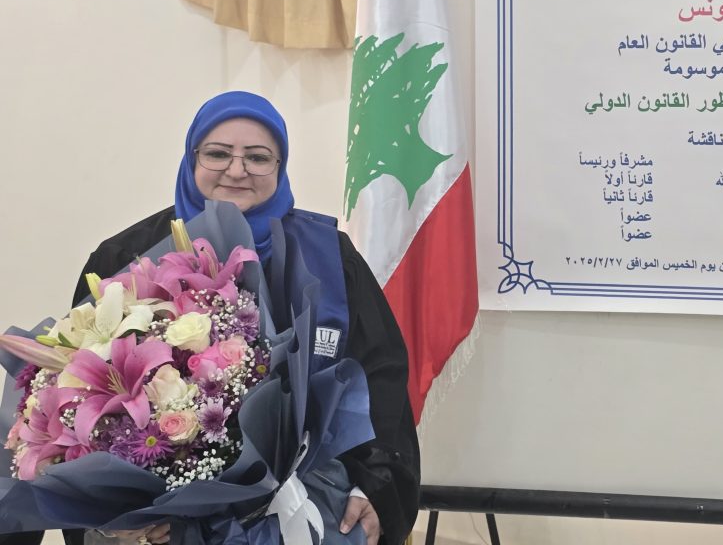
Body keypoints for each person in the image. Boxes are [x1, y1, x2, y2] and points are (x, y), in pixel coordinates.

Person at [12, 91, 420, 545]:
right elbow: (73, 386)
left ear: (280, 166)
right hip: (156, 527)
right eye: (218, 153)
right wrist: (116, 512)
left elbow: (378, 373)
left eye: (258, 157)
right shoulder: (126, 256)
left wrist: (373, 486)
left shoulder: (329, 256)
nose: (237, 170)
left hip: (302, 509)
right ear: (192, 159)